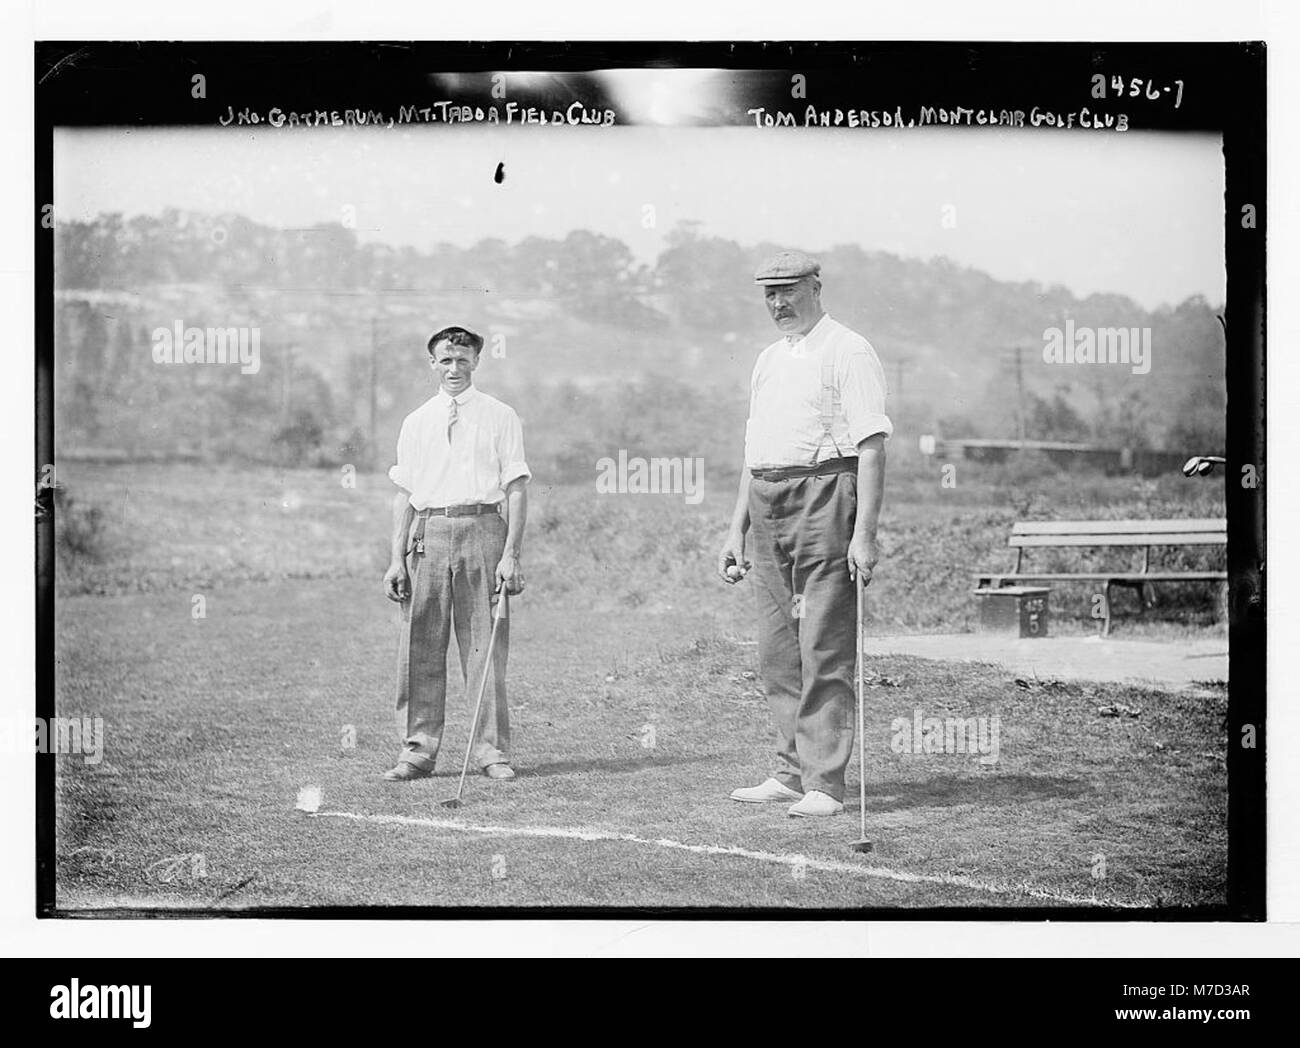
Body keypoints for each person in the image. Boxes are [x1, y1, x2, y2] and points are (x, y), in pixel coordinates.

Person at [718, 251, 891, 817]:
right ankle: (791, 773)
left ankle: (826, 783)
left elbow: (870, 447)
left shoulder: (848, 349)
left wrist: (864, 534)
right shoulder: (768, 358)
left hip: (825, 498)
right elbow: (753, 453)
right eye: (769, 293)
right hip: (768, 503)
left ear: (816, 286)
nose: (779, 303)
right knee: (777, 650)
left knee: (823, 645)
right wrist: (734, 528)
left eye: (789, 290)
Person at [381, 325, 529, 782]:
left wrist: (511, 554)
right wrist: (396, 558)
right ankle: (417, 751)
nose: (454, 368)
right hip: (429, 533)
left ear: (476, 363)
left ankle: (491, 753)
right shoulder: (416, 421)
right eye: (445, 360)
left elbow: (518, 489)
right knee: (421, 647)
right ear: (432, 364)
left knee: (485, 649)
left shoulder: (501, 415)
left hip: (483, 529)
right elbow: (405, 494)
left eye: (462, 360)